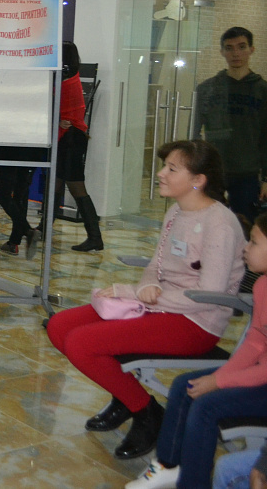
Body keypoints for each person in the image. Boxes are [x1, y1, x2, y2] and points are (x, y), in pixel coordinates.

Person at [47, 139, 246, 460]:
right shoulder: (176, 211)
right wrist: (148, 285)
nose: (160, 173)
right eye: (164, 166)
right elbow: (156, 265)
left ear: (198, 180)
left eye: (172, 169)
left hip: (196, 323)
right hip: (161, 307)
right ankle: (127, 397)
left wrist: (135, 293)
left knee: (82, 343)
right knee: (59, 326)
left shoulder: (219, 224)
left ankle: (146, 412)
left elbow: (208, 297)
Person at [126, 211, 267, 489]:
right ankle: (168, 466)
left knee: (205, 406)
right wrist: (222, 375)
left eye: (254, 242)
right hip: (258, 374)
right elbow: (255, 342)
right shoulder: (262, 286)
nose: (245, 248)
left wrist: (220, 381)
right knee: (184, 385)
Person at [193, 27, 267, 225]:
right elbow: (194, 133)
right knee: (208, 223)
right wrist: (194, 168)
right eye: (229, 48)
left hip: (247, 173)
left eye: (241, 47)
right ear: (222, 52)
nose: (236, 53)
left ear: (251, 49)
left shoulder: (262, 90)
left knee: (245, 226)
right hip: (213, 171)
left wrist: (266, 179)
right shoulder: (208, 89)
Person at [59, 41, 104, 252]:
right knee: (58, 183)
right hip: (72, 137)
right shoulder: (72, 78)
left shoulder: (67, 82)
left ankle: (95, 237)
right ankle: (43, 228)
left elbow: (62, 111)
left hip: (70, 139)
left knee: (76, 187)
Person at [0, 144, 45, 257]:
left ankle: (27, 231)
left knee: (2, 193)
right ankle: (14, 242)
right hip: (34, 149)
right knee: (21, 194)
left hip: (11, 148)